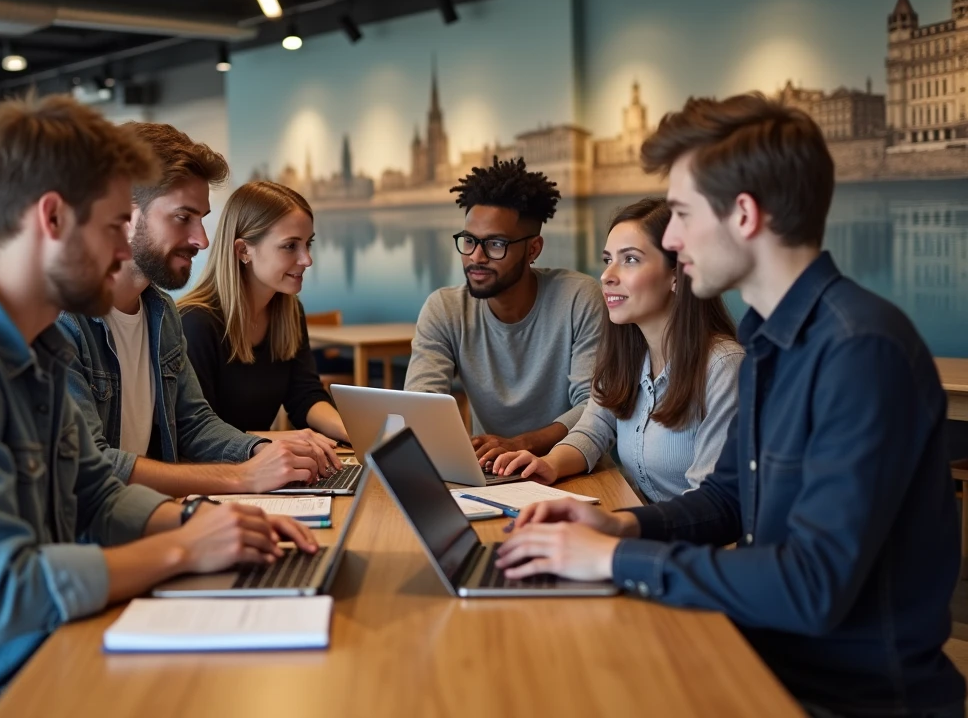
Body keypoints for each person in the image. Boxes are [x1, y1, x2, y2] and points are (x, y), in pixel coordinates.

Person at [0, 95, 316, 718]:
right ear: (52, 218)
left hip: (41, 659)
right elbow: (4, 592)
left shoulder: (40, 348)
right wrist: (185, 548)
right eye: (113, 227)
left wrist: (207, 524)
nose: (120, 252)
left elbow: (98, 494)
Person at [496, 94, 965, 718]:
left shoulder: (860, 350)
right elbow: (726, 500)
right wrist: (620, 526)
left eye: (684, 214)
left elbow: (812, 585)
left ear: (743, 214)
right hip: (769, 656)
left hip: (842, 697)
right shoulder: (770, 341)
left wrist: (615, 558)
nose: (674, 235)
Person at [59, 126, 341, 498]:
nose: (203, 240)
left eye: (202, 218)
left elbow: (193, 424)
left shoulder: (162, 313)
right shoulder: (58, 320)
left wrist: (263, 452)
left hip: (144, 516)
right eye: (183, 217)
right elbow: (92, 465)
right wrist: (243, 477)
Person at [485, 197, 743, 503]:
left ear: (678, 273)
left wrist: (617, 533)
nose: (607, 275)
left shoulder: (724, 367)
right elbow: (594, 429)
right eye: (608, 260)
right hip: (647, 530)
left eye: (630, 259)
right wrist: (548, 464)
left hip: (697, 544)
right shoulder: (626, 355)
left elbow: (710, 505)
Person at [404, 156, 604, 457]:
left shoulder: (579, 298)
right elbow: (421, 403)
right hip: (490, 468)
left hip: (571, 465)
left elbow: (592, 407)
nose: (476, 257)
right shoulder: (444, 309)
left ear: (533, 249)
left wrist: (522, 444)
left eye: (496, 244)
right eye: (469, 241)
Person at [178, 180, 350, 445]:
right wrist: (280, 441)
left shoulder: (290, 312)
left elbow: (306, 396)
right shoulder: (195, 323)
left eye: (308, 244)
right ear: (243, 250)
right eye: (291, 246)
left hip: (261, 468)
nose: (307, 260)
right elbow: (198, 433)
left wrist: (356, 432)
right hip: (213, 476)